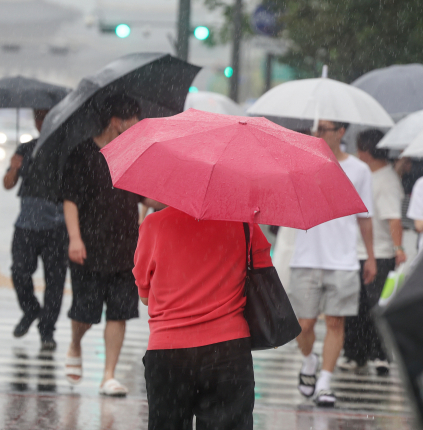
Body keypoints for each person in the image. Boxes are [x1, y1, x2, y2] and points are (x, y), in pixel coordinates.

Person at [61, 94, 163, 396]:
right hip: (88, 248)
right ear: (117, 122)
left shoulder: (132, 155)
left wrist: (168, 195)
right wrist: (75, 239)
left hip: (126, 249)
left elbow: (147, 198)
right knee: (85, 313)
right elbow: (70, 201)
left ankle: (108, 375)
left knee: (119, 312)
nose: (136, 127)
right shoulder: (81, 155)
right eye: (132, 121)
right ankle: (75, 343)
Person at [133, 210, 272, 430]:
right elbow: (262, 269)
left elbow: (144, 295)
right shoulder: (243, 224)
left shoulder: (154, 224)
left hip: (169, 352)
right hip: (228, 351)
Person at [288, 119, 376, 407]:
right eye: (315, 129)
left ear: (341, 132)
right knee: (304, 324)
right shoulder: (303, 163)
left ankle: (325, 381)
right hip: (307, 256)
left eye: (324, 129)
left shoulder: (359, 170)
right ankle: (309, 360)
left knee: (337, 322)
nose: (317, 134)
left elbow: (365, 216)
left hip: (343, 259)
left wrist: (371, 256)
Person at [339, 129, 405, 375]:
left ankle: (379, 354)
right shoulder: (371, 175)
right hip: (359, 251)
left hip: (379, 253)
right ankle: (355, 353)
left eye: (359, 149)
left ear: (366, 151)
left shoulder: (385, 180)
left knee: (375, 307)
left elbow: (394, 220)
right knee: (356, 307)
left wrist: (398, 249)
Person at [3, 109, 67, 351]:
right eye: (37, 117)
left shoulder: (66, 149)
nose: (40, 121)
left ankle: (47, 330)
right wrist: (13, 167)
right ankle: (31, 310)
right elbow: (8, 185)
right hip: (26, 224)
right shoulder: (26, 148)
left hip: (57, 228)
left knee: (55, 282)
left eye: (44, 116)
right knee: (19, 272)